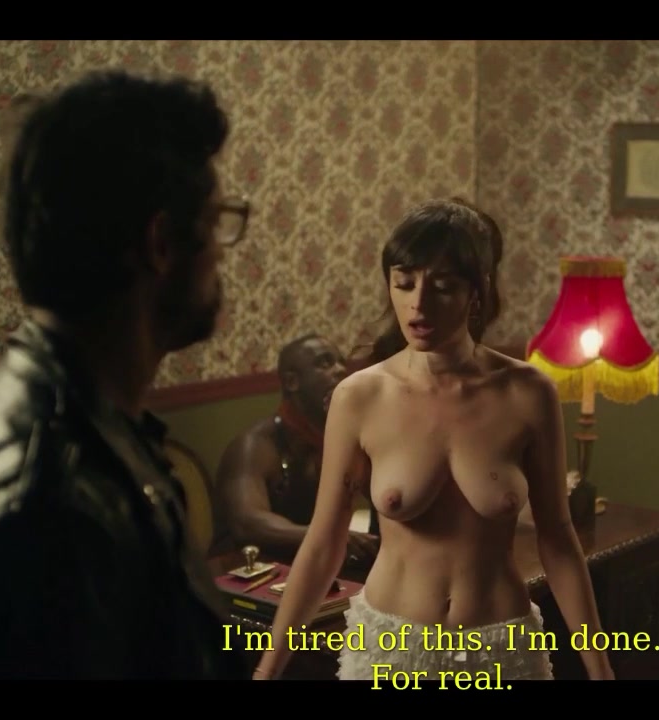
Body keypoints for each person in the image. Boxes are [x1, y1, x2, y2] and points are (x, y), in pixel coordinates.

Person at [0, 69, 254, 679]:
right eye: (217, 219)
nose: (223, 250)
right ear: (161, 243)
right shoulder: (48, 499)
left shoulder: (85, 427)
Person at [251, 197, 614, 682]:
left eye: (442, 286)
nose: (418, 304)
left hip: (500, 648)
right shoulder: (359, 397)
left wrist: (601, 669)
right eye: (404, 283)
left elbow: (559, 541)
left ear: (477, 292)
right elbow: (322, 546)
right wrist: (267, 670)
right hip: (390, 648)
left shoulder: (528, 393)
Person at [211, 332, 380, 574]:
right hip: (247, 574)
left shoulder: (339, 435)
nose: (341, 370)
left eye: (341, 362)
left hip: (309, 566)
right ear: (292, 382)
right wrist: (330, 537)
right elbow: (248, 523)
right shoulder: (255, 445)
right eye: (325, 363)